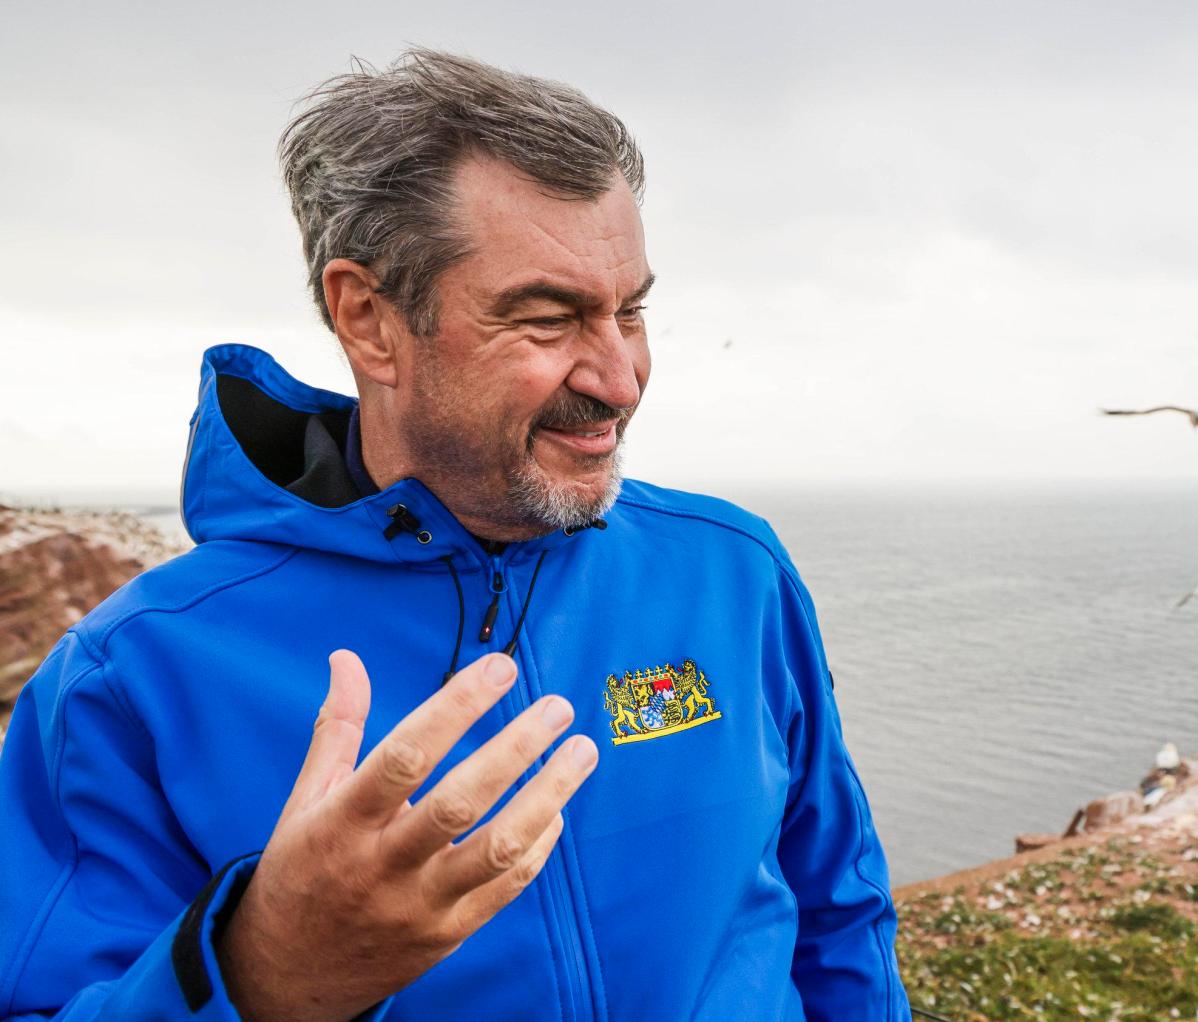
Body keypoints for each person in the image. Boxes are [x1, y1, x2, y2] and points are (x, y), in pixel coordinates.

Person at [0, 50, 909, 1021]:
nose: (618, 378)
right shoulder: (135, 673)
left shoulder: (731, 570)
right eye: (548, 318)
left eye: (630, 310)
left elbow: (836, 915)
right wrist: (265, 972)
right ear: (369, 319)